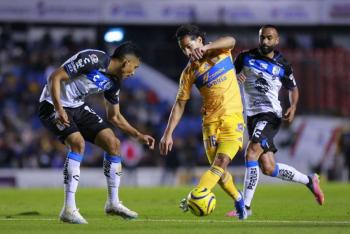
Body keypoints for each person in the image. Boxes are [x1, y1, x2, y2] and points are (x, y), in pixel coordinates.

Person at [38, 42, 155, 224]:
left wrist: (137, 135)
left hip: (77, 106)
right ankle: (68, 209)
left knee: (113, 144)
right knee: (77, 143)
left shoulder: (113, 83)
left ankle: (113, 203)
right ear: (126, 62)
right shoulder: (93, 58)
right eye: (135, 67)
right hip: (52, 104)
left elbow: (114, 116)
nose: (134, 73)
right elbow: (55, 77)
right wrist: (59, 109)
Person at [231, 25, 324, 218]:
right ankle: (309, 180)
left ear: (277, 40)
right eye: (262, 38)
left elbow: (293, 88)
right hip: (251, 115)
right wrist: (235, 77)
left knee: (251, 151)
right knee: (268, 167)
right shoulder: (244, 57)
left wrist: (294, 105)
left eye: (269, 38)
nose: (265, 42)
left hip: (270, 114)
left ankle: (245, 208)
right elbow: (229, 79)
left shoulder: (283, 65)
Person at [159, 24, 247, 219]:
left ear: (200, 41)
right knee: (219, 171)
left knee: (221, 161)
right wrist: (168, 133)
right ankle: (238, 198)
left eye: (190, 46)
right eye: (184, 49)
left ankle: (196, 194)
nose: (188, 52)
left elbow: (231, 39)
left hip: (233, 118)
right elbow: (179, 104)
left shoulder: (220, 51)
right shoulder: (189, 72)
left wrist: (207, 48)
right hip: (210, 124)